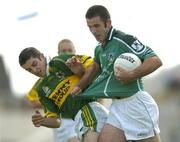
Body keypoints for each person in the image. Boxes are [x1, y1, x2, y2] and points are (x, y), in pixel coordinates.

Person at [71, 5, 162, 142]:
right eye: (90, 27)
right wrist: (80, 84)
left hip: (136, 105)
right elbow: (95, 67)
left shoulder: (124, 39)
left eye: (97, 26)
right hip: (117, 106)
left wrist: (131, 75)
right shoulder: (99, 48)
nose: (93, 31)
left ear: (108, 23)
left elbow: (155, 60)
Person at [19, 47, 108, 142]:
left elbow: (93, 65)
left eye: (35, 64)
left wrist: (80, 85)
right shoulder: (41, 89)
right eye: (29, 70)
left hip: (89, 112)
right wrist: (42, 121)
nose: (34, 70)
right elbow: (56, 122)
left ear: (41, 56)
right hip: (79, 121)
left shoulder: (58, 61)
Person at [27, 39, 80, 142]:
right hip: (64, 122)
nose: (67, 53)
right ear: (58, 53)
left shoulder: (79, 69)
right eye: (63, 51)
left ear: (75, 52)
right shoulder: (46, 78)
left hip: (83, 117)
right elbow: (32, 99)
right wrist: (57, 101)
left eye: (70, 50)